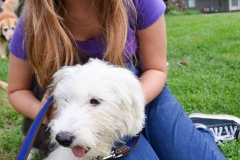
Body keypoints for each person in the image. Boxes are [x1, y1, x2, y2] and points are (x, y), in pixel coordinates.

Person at [7, 0, 240, 159]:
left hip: (140, 89)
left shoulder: (138, 2)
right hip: (78, 104)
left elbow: (156, 69)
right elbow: (17, 90)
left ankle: (195, 129)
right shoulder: (34, 18)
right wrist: (47, 113)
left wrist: (126, 107)